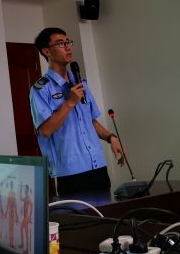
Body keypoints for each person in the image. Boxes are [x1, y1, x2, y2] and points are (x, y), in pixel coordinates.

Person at [30, 27, 124, 195]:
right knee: (79, 213)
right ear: (46, 51)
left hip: (98, 165)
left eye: (68, 42)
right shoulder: (40, 89)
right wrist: (70, 102)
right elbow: (46, 130)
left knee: (107, 211)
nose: (68, 47)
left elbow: (91, 121)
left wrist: (111, 138)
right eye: (60, 44)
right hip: (71, 172)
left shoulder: (80, 82)